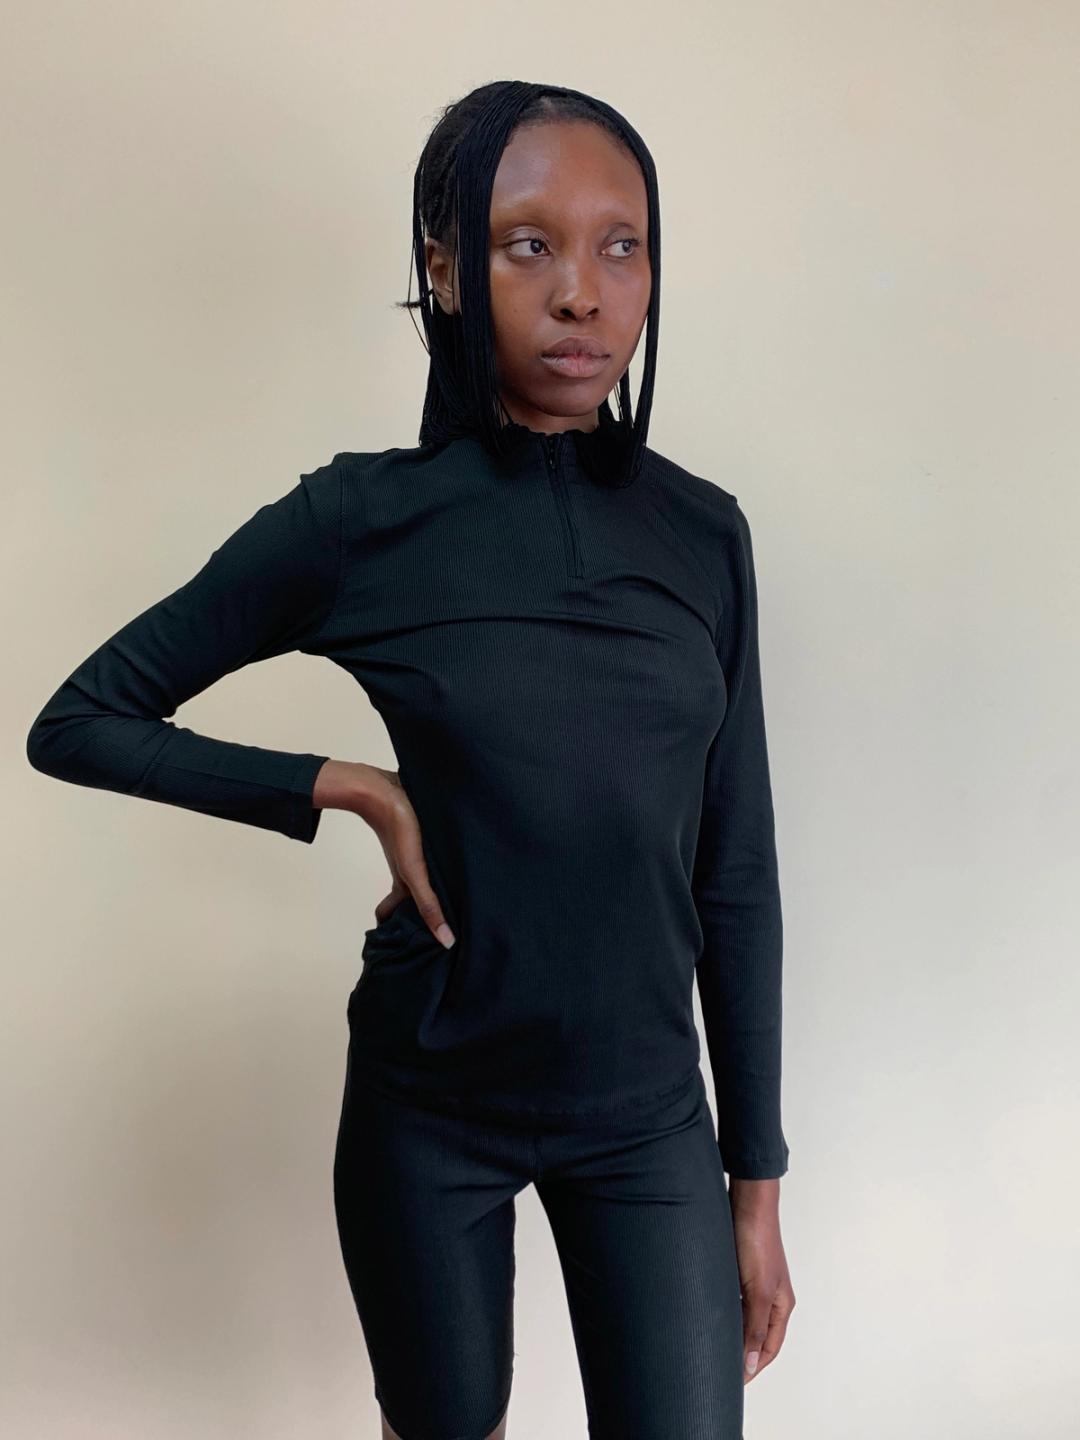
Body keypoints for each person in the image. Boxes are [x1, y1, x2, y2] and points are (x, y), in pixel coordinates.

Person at [26, 78, 795, 1440]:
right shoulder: (363, 521)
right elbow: (80, 720)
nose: (583, 292)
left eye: (622, 246)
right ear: (443, 269)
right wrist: (345, 788)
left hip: (644, 1116)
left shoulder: (704, 534)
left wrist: (757, 1185)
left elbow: (735, 873)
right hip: (430, 1104)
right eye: (527, 245)